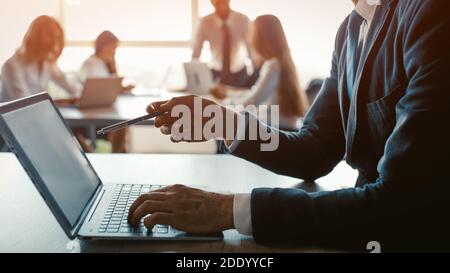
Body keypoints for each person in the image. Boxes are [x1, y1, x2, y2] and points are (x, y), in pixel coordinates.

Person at [128, 0, 450, 251]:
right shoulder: (351, 30)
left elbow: (400, 204)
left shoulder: (431, 15)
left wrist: (231, 210)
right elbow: (313, 149)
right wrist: (225, 122)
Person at [211, 15, 308, 131]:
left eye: (252, 33)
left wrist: (224, 105)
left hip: (278, 129)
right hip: (285, 128)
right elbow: (254, 93)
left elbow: (253, 101)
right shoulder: (282, 62)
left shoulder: (273, 65)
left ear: (261, 37)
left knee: (223, 136)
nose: (250, 38)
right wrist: (228, 94)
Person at [0, 15, 81, 102]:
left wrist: (84, 95)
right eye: (51, 36)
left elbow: (70, 85)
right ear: (36, 37)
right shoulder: (12, 65)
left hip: (37, 113)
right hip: (17, 114)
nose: (55, 43)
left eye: (57, 38)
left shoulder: (47, 64)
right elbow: (24, 103)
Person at [80, 31, 132, 153]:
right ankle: (118, 158)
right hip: (92, 114)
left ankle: (120, 158)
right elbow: (93, 90)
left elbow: (107, 88)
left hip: (105, 110)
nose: (114, 52)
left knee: (122, 126)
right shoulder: (90, 64)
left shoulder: (104, 65)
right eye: (113, 48)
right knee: (121, 126)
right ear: (104, 46)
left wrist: (114, 71)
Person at [192, 0, 257, 87]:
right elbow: (197, 49)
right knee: (214, 99)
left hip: (239, 72)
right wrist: (194, 76)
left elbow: (250, 47)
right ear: (212, 2)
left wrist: (256, 72)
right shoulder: (205, 22)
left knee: (239, 98)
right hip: (216, 72)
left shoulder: (242, 19)